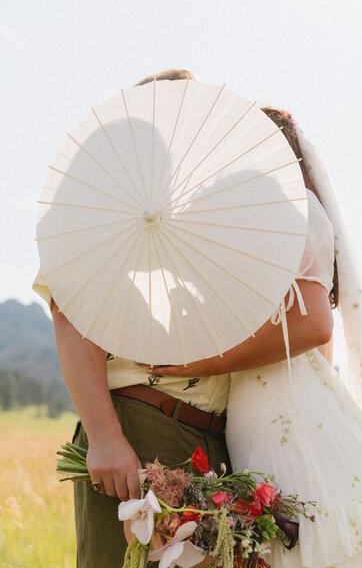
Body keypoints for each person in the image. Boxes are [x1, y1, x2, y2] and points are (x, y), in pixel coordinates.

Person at [150, 108, 362, 567]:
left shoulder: (295, 213)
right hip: (261, 412)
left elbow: (316, 327)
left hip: (294, 416)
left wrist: (202, 363)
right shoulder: (249, 227)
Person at [32, 68, 232, 568]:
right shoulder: (95, 205)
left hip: (211, 439)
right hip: (137, 430)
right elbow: (72, 312)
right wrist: (104, 435)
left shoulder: (182, 216)